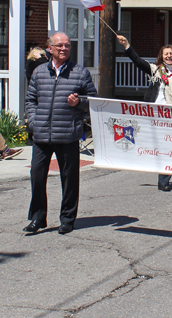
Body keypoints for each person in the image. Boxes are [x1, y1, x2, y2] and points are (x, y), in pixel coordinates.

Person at [24, 32, 97, 234]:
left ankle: (67, 219)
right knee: (37, 177)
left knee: (70, 180)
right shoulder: (39, 72)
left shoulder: (80, 73)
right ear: (50, 48)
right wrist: (33, 121)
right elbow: (30, 100)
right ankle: (38, 219)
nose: (64, 49)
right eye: (60, 45)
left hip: (67, 135)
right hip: (41, 136)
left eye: (67, 45)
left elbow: (93, 101)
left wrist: (79, 102)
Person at [117, 35, 172, 192]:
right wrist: (127, 46)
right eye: (166, 54)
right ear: (162, 57)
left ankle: (164, 180)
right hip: (154, 114)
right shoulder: (155, 71)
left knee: (170, 146)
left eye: (171, 54)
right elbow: (138, 61)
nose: (169, 56)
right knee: (156, 146)